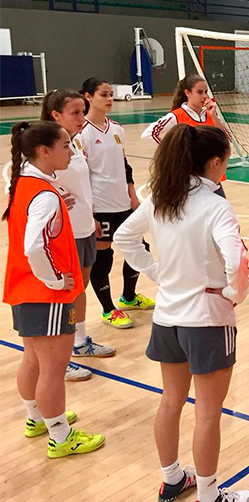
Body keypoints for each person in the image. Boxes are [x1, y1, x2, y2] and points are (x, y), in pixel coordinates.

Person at [114, 124, 249, 502]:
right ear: (213, 162)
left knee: (170, 401)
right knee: (208, 412)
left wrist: (157, 273)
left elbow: (124, 238)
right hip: (207, 321)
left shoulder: (161, 196)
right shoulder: (215, 205)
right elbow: (237, 259)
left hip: (167, 317)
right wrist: (233, 292)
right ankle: (209, 498)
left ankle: (173, 478)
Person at [5, 120, 105, 458]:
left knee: (32, 359)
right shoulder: (45, 195)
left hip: (23, 288)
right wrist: (55, 279)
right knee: (52, 369)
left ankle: (37, 418)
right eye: (65, 145)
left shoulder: (23, 182)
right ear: (44, 151)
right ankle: (61, 437)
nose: (71, 150)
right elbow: (35, 246)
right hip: (44, 294)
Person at [42, 89, 117, 381]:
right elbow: (18, 173)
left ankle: (79, 343)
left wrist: (92, 216)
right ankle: (58, 359)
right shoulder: (46, 147)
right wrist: (55, 192)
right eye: (74, 112)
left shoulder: (74, 145)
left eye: (82, 111)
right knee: (64, 294)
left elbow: (83, 185)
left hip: (85, 227)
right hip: (63, 234)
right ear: (55, 115)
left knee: (79, 291)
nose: (81, 117)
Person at [79, 77, 154, 329]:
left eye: (111, 94)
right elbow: (81, 176)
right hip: (100, 206)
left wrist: (133, 196)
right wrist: (90, 214)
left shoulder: (117, 128)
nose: (110, 99)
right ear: (88, 97)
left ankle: (129, 297)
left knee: (138, 246)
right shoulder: (83, 134)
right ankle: (108, 309)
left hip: (123, 202)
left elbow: (124, 166)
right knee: (103, 255)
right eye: (103, 94)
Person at [141, 74, 233, 197]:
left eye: (206, 92)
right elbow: (148, 134)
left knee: (219, 210)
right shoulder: (176, 116)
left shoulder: (210, 115)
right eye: (199, 92)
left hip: (210, 176)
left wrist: (214, 116)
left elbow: (227, 139)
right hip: (188, 177)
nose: (205, 96)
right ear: (188, 93)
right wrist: (174, 150)